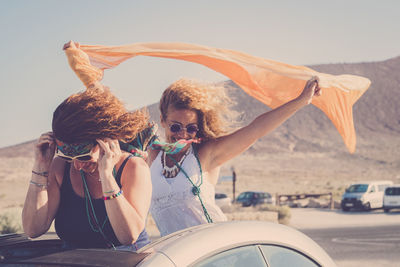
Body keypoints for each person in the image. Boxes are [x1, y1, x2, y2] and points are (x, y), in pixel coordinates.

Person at [149, 77, 321, 236]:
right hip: (176, 258)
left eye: (191, 128)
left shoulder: (204, 154)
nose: (183, 134)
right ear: (163, 121)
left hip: (214, 253)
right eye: (176, 127)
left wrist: (301, 101)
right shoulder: (153, 157)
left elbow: (256, 130)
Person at [22, 85, 153, 250]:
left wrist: (107, 176)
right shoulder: (60, 167)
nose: (76, 165)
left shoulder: (133, 167)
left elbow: (128, 235)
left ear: (105, 141)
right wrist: (40, 168)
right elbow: (33, 229)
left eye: (83, 156)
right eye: (68, 157)